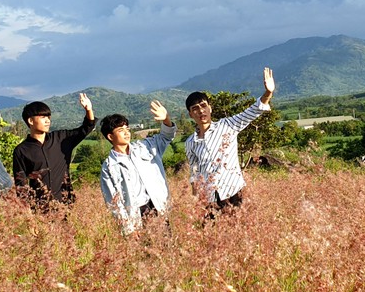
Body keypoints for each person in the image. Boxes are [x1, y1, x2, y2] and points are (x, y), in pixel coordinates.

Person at [184, 67, 275, 215]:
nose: (200, 111)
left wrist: (268, 93)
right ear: (190, 114)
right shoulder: (190, 142)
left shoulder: (227, 125)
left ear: (210, 108)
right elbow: (194, 171)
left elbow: (251, 112)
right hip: (209, 198)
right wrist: (196, 197)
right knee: (213, 236)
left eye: (203, 106)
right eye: (195, 108)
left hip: (234, 192)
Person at [99, 100, 176, 235]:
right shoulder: (109, 167)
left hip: (158, 206)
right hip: (136, 214)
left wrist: (166, 119)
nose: (126, 133)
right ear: (110, 136)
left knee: (167, 250)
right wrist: (128, 229)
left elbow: (166, 136)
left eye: (127, 129)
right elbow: (113, 202)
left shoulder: (145, 146)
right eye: (121, 130)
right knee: (144, 253)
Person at [12, 93, 95, 210]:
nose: (47, 121)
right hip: (39, 209)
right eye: (43, 117)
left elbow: (86, 128)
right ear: (30, 120)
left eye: (49, 117)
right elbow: (21, 185)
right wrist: (27, 214)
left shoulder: (61, 139)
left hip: (66, 205)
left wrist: (88, 110)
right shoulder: (21, 150)